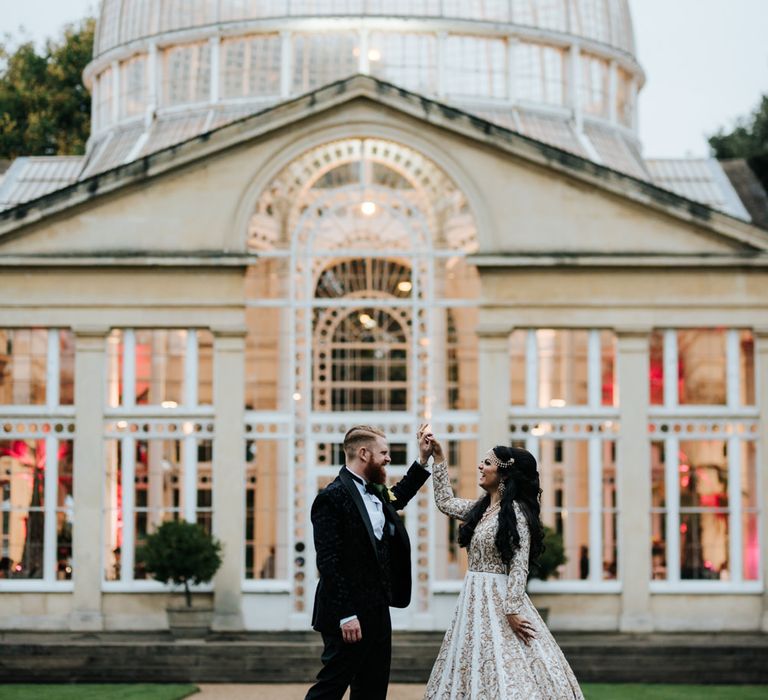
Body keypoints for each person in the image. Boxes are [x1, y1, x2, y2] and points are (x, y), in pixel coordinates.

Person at [424, 437, 584, 699]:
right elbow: (445, 503)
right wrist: (438, 458)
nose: (480, 466)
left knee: (506, 663)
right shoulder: (481, 508)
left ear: (504, 475)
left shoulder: (516, 513)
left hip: (498, 598)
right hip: (472, 597)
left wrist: (511, 610)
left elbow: (519, 564)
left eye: (487, 463)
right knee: (473, 661)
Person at [305, 424, 433, 700]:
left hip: (378, 610)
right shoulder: (331, 498)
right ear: (364, 453)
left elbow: (399, 496)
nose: (388, 458)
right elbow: (329, 562)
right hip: (347, 615)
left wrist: (422, 461)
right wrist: (346, 615)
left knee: (372, 690)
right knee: (330, 688)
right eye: (384, 453)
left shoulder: (376, 492)